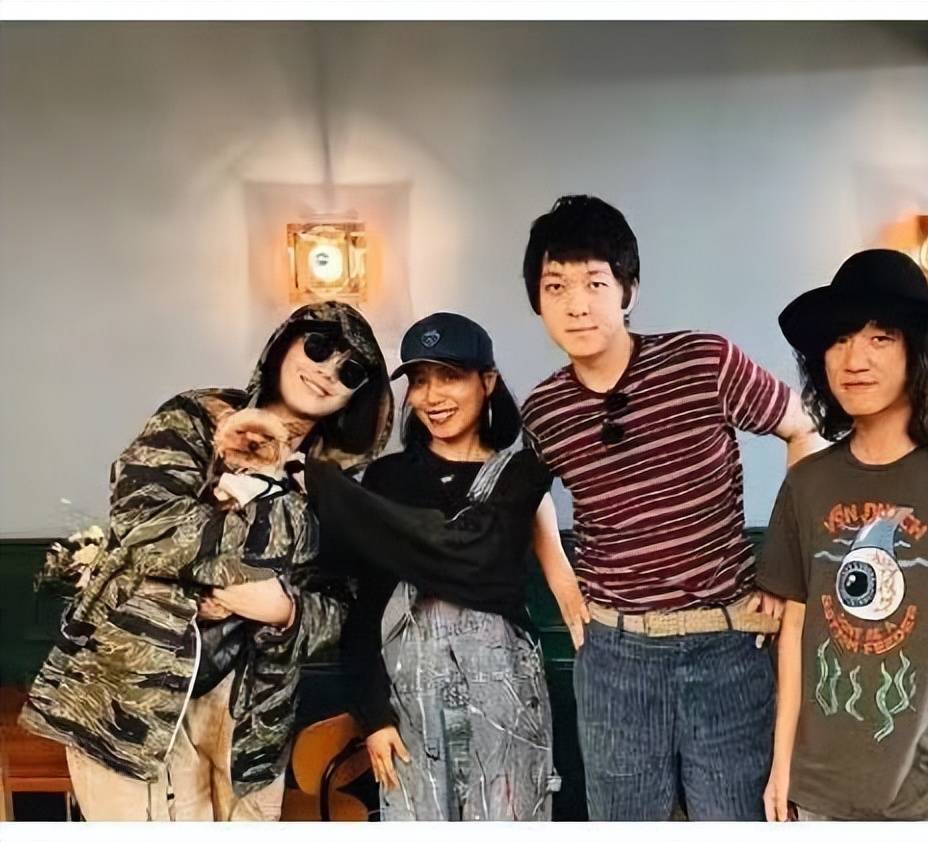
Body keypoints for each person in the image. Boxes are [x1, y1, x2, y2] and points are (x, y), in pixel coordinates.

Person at [20, 302, 393, 820]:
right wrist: (231, 583)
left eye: (350, 372)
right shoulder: (195, 416)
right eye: (319, 346)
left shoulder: (340, 485)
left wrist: (284, 611)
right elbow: (146, 525)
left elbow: (342, 603)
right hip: (135, 702)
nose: (328, 371)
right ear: (286, 342)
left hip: (250, 718)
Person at [518, 195, 825, 821]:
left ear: (627, 290)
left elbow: (804, 430)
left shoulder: (703, 361)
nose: (577, 304)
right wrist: (562, 582)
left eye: (595, 283)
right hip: (616, 659)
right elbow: (528, 494)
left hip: (729, 647)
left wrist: (782, 566)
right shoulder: (545, 409)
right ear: (538, 302)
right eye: (556, 287)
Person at [758, 249, 928, 821]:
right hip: (819, 793)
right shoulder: (808, 482)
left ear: (920, 351)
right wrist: (783, 765)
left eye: (880, 338)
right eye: (839, 340)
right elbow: (797, 630)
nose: (854, 358)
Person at [305, 312, 585, 820]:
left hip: (507, 707)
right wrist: (374, 717)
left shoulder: (520, 476)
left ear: (487, 381)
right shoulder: (386, 480)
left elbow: (486, 567)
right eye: (419, 380)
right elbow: (364, 611)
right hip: (409, 713)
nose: (431, 396)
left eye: (449, 376)